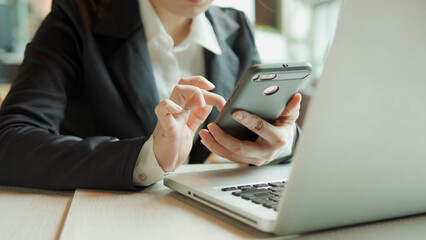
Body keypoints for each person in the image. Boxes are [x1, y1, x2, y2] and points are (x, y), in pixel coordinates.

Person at [0, 0, 301, 191]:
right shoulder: (76, 15)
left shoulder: (236, 27)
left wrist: (282, 144)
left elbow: (261, 129)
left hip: (200, 212)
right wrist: (145, 159)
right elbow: (10, 142)